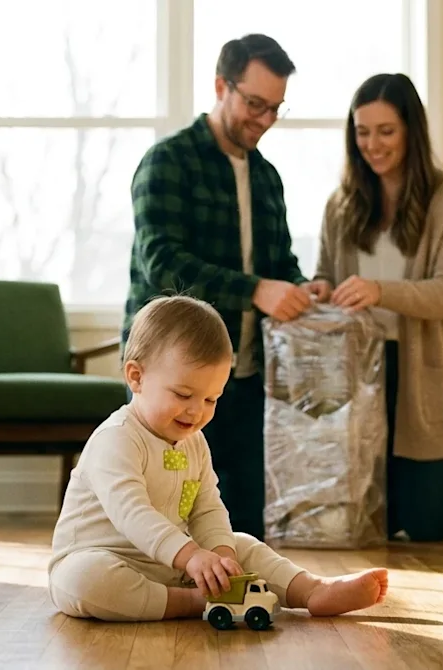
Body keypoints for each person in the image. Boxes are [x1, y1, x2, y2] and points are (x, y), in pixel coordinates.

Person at [49, 295, 388, 622]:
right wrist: (192, 556)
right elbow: (132, 513)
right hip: (107, 559)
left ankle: (311, 590)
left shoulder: (194, 442)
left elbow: (207, 508)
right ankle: (192, 603)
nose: (197, 411)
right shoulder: (117, 439)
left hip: (175, 565)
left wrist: (222, 558)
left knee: (242, 544)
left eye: (211, 399)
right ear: (136, 377)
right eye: (183, 394)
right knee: (84, 580)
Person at [122, 34, 316, 540]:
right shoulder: (167, 162)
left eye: (275, 109)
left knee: (243, 524)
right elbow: (161, 264)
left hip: (242, 376)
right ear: (220, 86)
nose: (265, 119)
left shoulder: (268, 179)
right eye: (255, 104)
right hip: (172, 375)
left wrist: (304, 288)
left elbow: (281, 264)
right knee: (160, 518)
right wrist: (256, 290)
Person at [303, 73, 443, 543]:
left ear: (411, 132)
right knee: (374, 519)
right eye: (362, 132)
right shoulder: (341, 205)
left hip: (426, 374)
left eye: (386, 131)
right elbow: (326, 271)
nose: (373, 144)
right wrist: (321, 289)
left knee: (422, 526)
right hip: (362, 371)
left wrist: (381, 291)